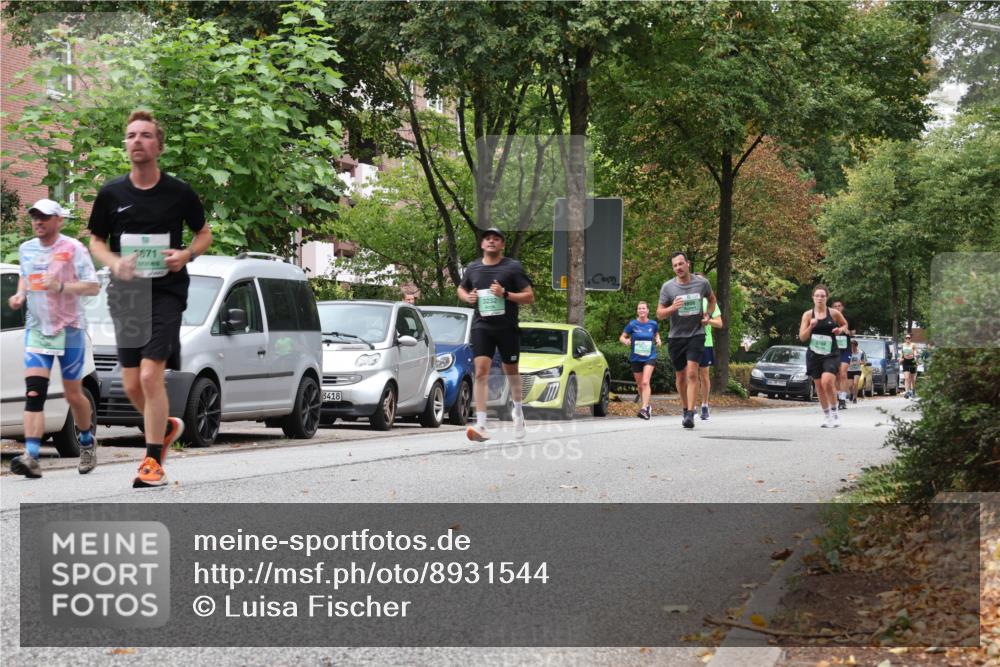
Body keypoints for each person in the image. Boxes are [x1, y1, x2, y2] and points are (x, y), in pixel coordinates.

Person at [88, 110, 213, 488]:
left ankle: (152, 460)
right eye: (131, 135)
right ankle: (167, 425)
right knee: (130, 385)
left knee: (149, 374)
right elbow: (95, 240)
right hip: (127, 293)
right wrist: (114, 263)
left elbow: (204, 233)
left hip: (166, 291)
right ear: (125, 144)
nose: (137, 140)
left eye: (145, 135)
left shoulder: (178, 192)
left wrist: (186, 255)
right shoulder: (111, 193)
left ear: (158, 145)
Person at [8, 199, 101, 478]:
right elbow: (26, 276)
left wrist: (60, 286)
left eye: (45, 217)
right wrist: (21, 294)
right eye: (35, 216)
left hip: (70, 329)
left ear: (58, 220)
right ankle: (31, 456)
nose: (38, 221)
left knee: (74, 394)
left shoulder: (74, 248)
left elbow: (93, 287)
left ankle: (86, 441)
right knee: (34, 392)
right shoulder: (26, 248)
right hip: (37, 330)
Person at [457, 227, 534, 441]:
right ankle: (481, 425)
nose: (491, 241)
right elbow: (461, 289)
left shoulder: (512, 267)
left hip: (507, 328)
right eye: (487, 239)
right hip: (482, 327)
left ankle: (518, 411)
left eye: (496, 239)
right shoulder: (473, 268)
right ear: (482, 244)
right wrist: (467, 298)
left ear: (502, 245)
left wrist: (505, 294)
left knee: (512, 372)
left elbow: (529, 297)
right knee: (481, 372)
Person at [656, 252, 716, 429]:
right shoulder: (668, 288)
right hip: (676, 336)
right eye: (675, 265)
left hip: (696, 334)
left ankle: (690, 414)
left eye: (681, 264)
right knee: (680, 376)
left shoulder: (702, 283)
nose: (678, 268)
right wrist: (672, 308)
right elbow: (659, 314)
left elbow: (712, 300)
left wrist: (708, 314)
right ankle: (684, 408)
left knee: (692, 373)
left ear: (688, 264)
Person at [799, 285, 850, 427]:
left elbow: (845, 324)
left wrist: (840, 330)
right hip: (814, 354)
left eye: (822, 296)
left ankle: (835, 413)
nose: (820, 298)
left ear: (826, 298)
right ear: (813, 298)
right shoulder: (808, 315)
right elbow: (802, 337)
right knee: (819, 386)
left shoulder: (833, 313)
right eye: (817, 296)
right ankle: (827, 416)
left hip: (831, 353)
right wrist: (810, 326)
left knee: (827, 381)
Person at [620, 301, 661, 419]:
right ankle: (646, 406)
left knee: (645, 382)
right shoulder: (632, 324)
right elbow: (622, 337)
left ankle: (643, 409)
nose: (642, 310)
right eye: (639, 309)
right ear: (637, 311)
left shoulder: (653, 324)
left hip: (649, 356)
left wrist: (658, 340)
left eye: (644, 308)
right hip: (636, 357)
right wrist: (626, 341)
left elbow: (656, 334)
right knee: (639, 385)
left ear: (648, 310)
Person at [697, 292, 723, 421]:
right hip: (688, 341)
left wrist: (708, 321)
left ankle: (705, 405)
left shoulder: (709, 302)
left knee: (704, 375)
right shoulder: (687, 301)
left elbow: (719, 323)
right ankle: (690, 407)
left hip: (705, 342)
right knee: (689, 375)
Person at [830, 300, 853, 410]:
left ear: (842, 308)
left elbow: (853, 332)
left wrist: (848, 332)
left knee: (843, 373)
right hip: (834, 350)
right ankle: (839, 396)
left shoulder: (847, 319)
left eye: (839, 306)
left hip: (845, 350)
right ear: (832, 308)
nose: (837, 308)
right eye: (835, 306)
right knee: (837, 375)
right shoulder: (829, 320)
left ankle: (843, 399)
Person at [847, 339, 867, 404]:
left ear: (856, 346)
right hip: (849, 370)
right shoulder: (848, 352)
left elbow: (864, 361)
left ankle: (855, 398)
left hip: (857, 370)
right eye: (851, 346)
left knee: (855, 383)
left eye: (853, 347)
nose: (852, 348)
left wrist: (860, 362)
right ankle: (852, 394)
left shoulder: (861, 352)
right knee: (850, 386)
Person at [899, 333, 918, 398]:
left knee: (913, 379)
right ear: (905, 339)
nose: (908, 339)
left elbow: (915, 351)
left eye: (909, 338)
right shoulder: (903, 345)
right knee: (906, 378)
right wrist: (900, 358)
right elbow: (902, 353)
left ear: (910, 339)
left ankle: (913, 391)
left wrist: (915, 355)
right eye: (906, 338)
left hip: (912, 361)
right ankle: (907, 392)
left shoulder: (913, 345)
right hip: (905, 362)